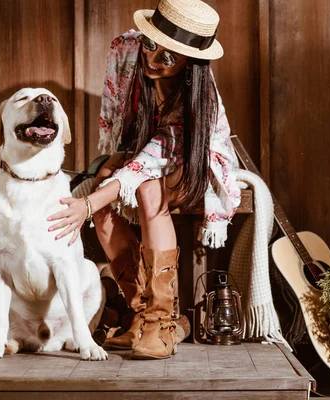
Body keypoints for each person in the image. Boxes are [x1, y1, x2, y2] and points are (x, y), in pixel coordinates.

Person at [47, 0, 241, 359]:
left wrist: (90, 202)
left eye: (170, 58)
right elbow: (114, 116)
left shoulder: (199, 92)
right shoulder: (125, 48)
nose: (154, 60)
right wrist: (108, 170)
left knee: (148, 192)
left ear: (190, 63)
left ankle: (162, 323)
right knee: (102, 187)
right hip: (138, 151)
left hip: (190, 159)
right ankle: (140, 314)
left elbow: (158, 156)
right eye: (152, 46)